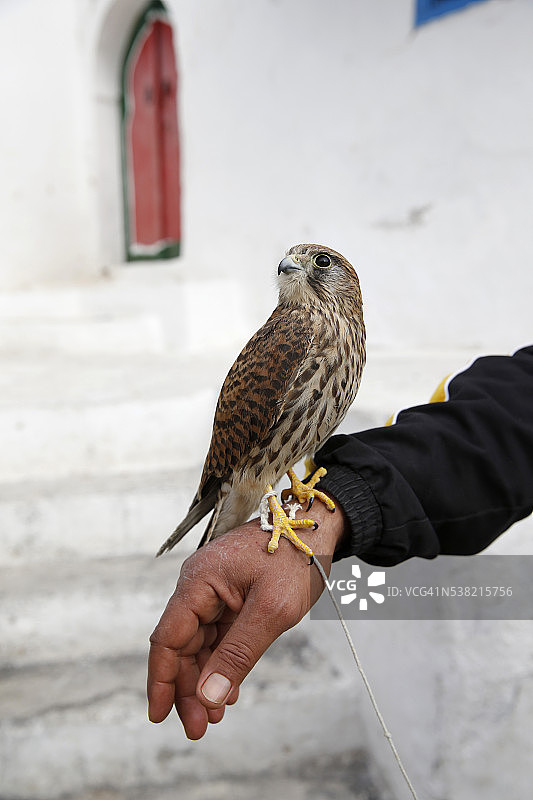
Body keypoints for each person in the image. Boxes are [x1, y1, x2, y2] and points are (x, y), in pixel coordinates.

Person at [147, 345, 533, 739]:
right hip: (253, 477)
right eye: (284, 275)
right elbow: (507, 426)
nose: (291, 278)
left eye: (321, 275)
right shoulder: (289, 339)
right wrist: (336, 506)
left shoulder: (342, 341)